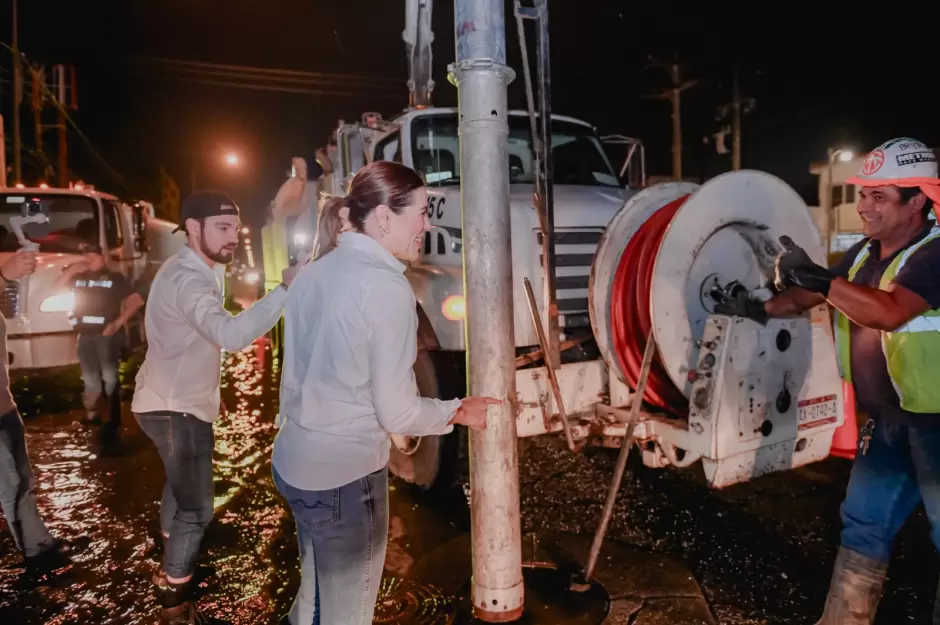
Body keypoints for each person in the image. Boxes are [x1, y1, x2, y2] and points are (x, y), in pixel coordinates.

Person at [719, 137, 940, 624]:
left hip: (936, 428)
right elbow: (806, 299)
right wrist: (751, 307)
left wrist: (820, 280)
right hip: (886, 425)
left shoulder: (934, 254)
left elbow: (889, 313)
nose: (863, 206)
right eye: (862, 194)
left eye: (878, 196)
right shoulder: (863, 253)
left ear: (918, 200)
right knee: (862, 529)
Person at [272, 161, 499, 625]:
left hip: (294, 462)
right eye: (419, 212)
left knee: (313, 597)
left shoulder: (312, 273)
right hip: (343, 477)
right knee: (347, 615)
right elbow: (397, 412)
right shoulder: (386, 287)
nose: (427, 224)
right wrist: (459, 410)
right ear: (381, 218)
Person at [131, 190, 304, 624]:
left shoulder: (197, 268)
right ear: (193, 228)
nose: (232, 237)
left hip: (170, 401)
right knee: (196, 508)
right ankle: (175, 605)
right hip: (175, 408)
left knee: (179, 486)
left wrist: (212, 393)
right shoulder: (189, 279)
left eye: (235, 228)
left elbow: (193, 343)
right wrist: (285, 288)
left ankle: (170, 560)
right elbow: (228, 335)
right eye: (222, 228)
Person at [0, 250, 90, 575]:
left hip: (5, 408)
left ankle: (38, 545)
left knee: (22, 482)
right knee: (10, 484)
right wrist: (5, 277)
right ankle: (35, 557)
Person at [51, 253, 149, 450]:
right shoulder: (80, 278)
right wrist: (72, 269)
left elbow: (136, 300)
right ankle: (93, 418)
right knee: (89, 377)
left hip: (106, 335)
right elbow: (54, 290)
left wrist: (118, 323)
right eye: (86, 255)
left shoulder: (114, 278)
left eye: (93, 255)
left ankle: (112, 419)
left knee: (109, 375)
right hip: (84, 335)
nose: (88, 259)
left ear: (103, 258)